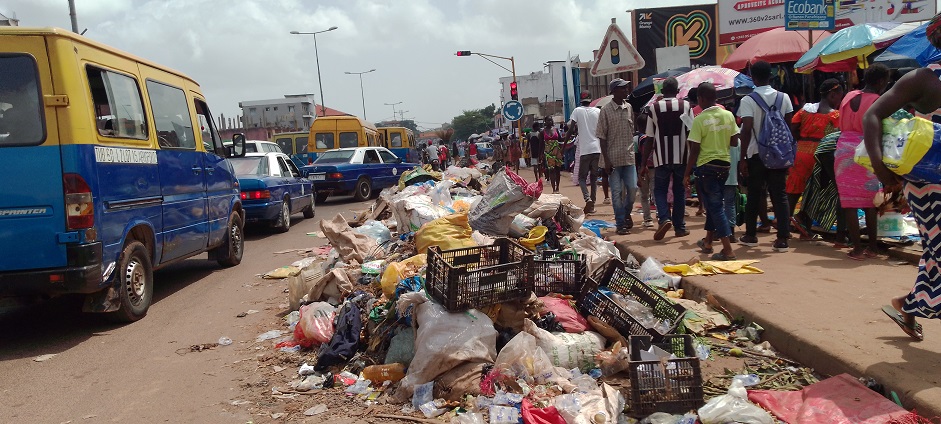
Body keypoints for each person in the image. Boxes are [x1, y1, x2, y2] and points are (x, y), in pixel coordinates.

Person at [863, 14, 941, 341]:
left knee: (936, 253)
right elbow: (872, 115)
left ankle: (908, 305)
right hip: (928, 183)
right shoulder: (923, 78)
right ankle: (908, 305)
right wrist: (881, 169)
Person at [737, 60, 794, 252]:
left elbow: (746, 129)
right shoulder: (784, 97)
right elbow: (788, 126)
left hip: (756, 154)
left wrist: (742, 158)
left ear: (752, 78)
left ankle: (750, 235)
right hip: (779, 154)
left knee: (755, 193)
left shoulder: (748, 100)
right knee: (780, 194)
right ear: (771, 76)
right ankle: (783, 238)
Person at [838, 64, 890, 260]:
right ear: (880, 81)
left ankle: (857, 249)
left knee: (849, 202)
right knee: (871, 201)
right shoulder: (877, 101)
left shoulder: (848, 96)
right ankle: (872, 248)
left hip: (843, 150)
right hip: (866, 149)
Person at [684, 82, 740, 260]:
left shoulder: (699, 119)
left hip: (706, 167)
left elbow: (694, 150)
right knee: (713, 204)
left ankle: (727, 249)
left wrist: (686, 173)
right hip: (724, 165)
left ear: (700, 99)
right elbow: (734, 142)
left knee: (715, 207)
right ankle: (708, 242)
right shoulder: (728, 115)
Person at [788, 79, 844, 239]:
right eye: (839, 97)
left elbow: (793, 128)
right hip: (821, 154)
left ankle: (784, 224)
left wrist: (803, 140)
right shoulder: (835, 115)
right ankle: (805, 224)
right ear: (832, 95)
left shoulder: (804, 111)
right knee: (815, 190)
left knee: (794, 188)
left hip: (801, 151)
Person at [645, 76, 693, 240]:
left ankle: (664, 218)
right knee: (680, 191)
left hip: (661, 157)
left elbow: (649, 138)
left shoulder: (654, 108)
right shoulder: (686, 106)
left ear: (662, 91)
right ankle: (679, 227)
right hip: (682, 156)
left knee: (660, 190)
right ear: (677, 91)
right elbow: (691, 132)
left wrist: (643, 163)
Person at [597, 78, 637, 235]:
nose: (626, 90)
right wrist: (606, 160)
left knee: (632, 189)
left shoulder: (629, 107)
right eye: (622, 88)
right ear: (614, 91)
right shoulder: (605, 110)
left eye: (626, 88)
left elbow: (632, 131)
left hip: (628, 157)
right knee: (616, 192)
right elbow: (602, 137)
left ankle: (626, 213)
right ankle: (620, 224)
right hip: (612, 159)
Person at [569, 90, 602, 213]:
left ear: (581, 101)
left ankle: (587, 198)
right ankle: (592, 205)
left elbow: (570, 129)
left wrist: (564, 145)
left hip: (585, 150)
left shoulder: (577, 111)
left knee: (582, 178)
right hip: (597, 149)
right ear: (590, 99)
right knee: (594, 178)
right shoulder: (598, 111)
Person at [636, 109, 656, 228]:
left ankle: (648, 219)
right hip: (654, 168)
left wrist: (639, 171)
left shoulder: (637, 139)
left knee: (644, 195)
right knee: (655, 193)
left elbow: (636, 156)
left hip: (642, 169)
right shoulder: (654, 137)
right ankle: (660, 216)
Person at [541, 117, 564, 193]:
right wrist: (540, 155)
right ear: (545, 121)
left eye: (551, 120)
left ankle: (557, 187)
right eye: (548, 120)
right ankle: (553, 188)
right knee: (551, 170)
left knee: (558, 169)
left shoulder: (556, 130)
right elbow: (541, 144)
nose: (550, 121)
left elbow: (560, 140)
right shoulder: (543, 132)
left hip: (557, 151)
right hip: (548, 153)